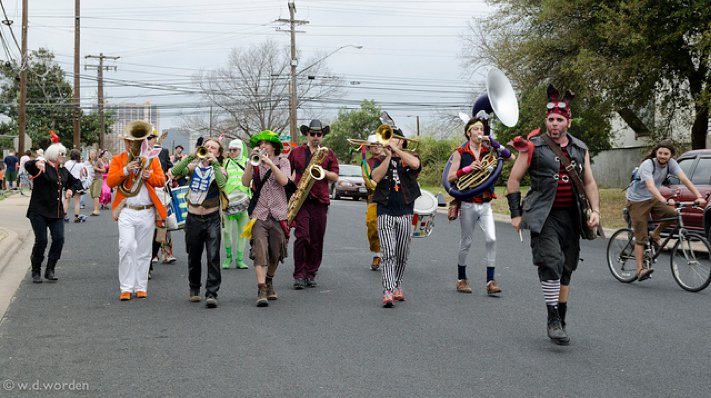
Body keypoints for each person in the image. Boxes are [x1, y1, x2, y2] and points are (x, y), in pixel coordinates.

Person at [506, 84, 600, 346]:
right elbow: (513, 180)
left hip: (572, 216)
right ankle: (552, 319)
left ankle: (561, 316)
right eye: (550, 119)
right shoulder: (532, 146)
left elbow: (589, 183)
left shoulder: (580, 148)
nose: (554, 123)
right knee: (550, 262)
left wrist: (596, 211)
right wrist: (516, 214)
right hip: (543, 216)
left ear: (568, 121)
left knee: (566, 269)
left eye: (559, 119)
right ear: (546, 120)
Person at [447, 111, 515, 295]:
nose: (479, 132)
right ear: (469, 132)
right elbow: (451, 177)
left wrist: (494, 143)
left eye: (481, 129)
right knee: (466, 241)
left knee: (491, 239)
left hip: (485, 203)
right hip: (468, 202)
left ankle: (490, 281)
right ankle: (462, 279)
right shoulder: (460, 152)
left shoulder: (489, 151)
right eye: (476, 129)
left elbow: (511, 158)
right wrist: (468, 169)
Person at [626, 140, 707, 281]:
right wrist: (663, 200)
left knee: (675, 214)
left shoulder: (671, 164)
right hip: (637, 200)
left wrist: (698, 196)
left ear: (671, 155)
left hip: (653, 198)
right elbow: (650, 186)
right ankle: (639, 270)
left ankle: (656, 233)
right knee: (641, 237)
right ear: (656, 152)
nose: (663, 156)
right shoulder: (648, 164)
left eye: (666, 154)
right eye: (660, 153)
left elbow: (684, 179)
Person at [107, 121, 168, 301]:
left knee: (144, 251)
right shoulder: (118, 160)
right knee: (126, 247)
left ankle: (141, 286)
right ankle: (126, 287)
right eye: (128, 141)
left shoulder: (152, 158)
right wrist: (126, 170)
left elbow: (161, 181)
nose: (131, 144)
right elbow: (110, 182)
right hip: (126, 210)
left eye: (135, 141)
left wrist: (149, 175)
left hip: (147, 211)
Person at [169, 137, 227, 308]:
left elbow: (222, 184)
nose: (209, 149)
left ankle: (212, 293)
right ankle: (194, 288)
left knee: (213, 256)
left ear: (218, 153)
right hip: (193, 218)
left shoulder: (221, 170)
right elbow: (175, 171)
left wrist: (215, 164)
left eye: (213, 148)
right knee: (193, 256)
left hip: (212, 218)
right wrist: (191, 156)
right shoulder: (193, 168)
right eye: (206, 147)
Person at [370, 130, 421, 308]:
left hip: (406, 211)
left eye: (396, 138)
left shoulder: (409, 157)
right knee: (389, 253)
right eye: (389, 138)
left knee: (402, 253)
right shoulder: (378, 159)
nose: (391, 140)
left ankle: (397, 283)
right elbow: (375, 177)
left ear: (402, 142)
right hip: (385, 211)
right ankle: (388, 290)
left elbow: (415, 164)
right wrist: (388, 156)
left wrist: (397, 152)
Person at [287, 119, 339, 289]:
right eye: (313, 134)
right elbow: (288, 172)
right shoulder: (296, 152)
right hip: (301, 200)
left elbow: (335, 176)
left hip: (320, 201)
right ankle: (299, 274)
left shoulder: (328, 153)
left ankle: (311, 273)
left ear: (322, 136)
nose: (316, 136)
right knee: (302, 237)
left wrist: (323, 172)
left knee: (316, 239)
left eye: (319, 134)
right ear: (307, 134)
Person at [242, 130, 291, 307]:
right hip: (259, 214)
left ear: (274, 146)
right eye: (261, 143)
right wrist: (250, 161)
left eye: (266, 143)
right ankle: (261, 288)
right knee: (260, 249)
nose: (263, 146)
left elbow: (285, 181)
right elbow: (245, 183)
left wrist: (270, 163)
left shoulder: (283, 161)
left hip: (279, 214)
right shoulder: (255, 163)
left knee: (276, 253)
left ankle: (269, 280)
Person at [24, 138, 83, 283]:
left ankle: (50, 269)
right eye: (60, 154)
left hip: (56, 212)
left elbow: (77, 182)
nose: (63, 156)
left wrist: (70, 189)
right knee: (42, 240)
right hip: (38, 211)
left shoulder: (63, 171)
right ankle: (36, 270)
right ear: (52, 154)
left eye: (64, 154)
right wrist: (36, 162)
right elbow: (27, 165)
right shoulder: (41, 165)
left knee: (59, 239)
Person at [147, 129, 175, 266]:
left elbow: (170, 167)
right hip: (145, 194)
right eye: (146, 138)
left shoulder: (163, 152)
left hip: (161, 192)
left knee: (163, 224)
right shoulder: (135, 154)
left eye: (151, 138)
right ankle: (150, 258)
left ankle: (166, 253)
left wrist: (170, 172)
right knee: (147, 227)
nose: (148, 141)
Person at [222, 138, 250, 269]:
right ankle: (228, 257)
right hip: (227, 202)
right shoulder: (226, 162)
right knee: (226, 232)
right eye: (231, 149)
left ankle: (239, 259)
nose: (232, 152)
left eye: (235, 149)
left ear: (241, 149)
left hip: (243, 202)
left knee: (242, 232)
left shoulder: (247, 162)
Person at [362, 134, 385, 271]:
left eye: (379, 144)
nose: (376, 146)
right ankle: (377, 254)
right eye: (373, 145)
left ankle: (392, 255)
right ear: (369, 148)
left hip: (392, 198)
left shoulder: (391, 158)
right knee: (372, 225)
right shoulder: (366, 163)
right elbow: (369, 182)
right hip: (374, 198)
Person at [63, 149, 87, 223]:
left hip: (68, 183)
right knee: (77, 201)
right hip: (77, 183)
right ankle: (76, 217)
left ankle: (64, 216)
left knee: (67, 200)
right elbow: (82, 174)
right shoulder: (80, 164)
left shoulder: (67, 163)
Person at [88, 149, 104, 216]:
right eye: (90, 154)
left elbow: (104, 169)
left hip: (98, 179)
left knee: (96, 195)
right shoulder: (88, 161)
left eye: (93, 154)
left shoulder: (98, 161)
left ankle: (96, 210)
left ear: (96, 154)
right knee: (92, 195)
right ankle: (95, 209)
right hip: (91, 179)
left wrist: (97, 168)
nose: (91, 155)